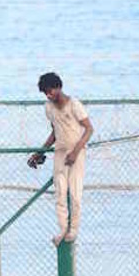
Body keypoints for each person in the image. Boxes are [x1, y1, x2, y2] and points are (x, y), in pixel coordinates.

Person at [28, 72, 93, 246]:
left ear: (58, 87)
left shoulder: (74, 105)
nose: (48, 95)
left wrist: (75, 152)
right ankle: (63, 229)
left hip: (76, 153)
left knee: (75, 193)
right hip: (60, 153)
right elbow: (54, 133)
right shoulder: (48, 108)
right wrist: (40, 152)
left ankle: (73, 230)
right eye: (45, 93)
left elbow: (88, 129)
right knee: (60, 193)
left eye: (50, 91)